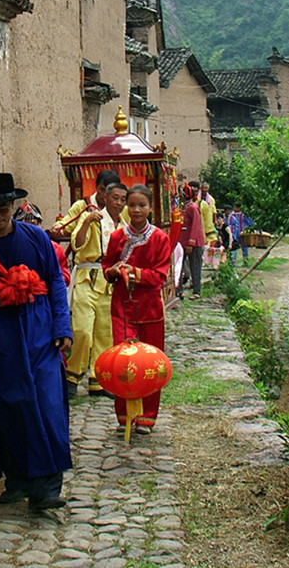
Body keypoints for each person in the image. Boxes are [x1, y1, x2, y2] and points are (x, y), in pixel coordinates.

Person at [0, 171, 72, 510]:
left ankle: (47, 488)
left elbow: (54, 282)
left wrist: (62, 327)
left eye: (2, 208)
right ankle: (18, 477)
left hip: (40, 332)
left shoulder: (37, 239)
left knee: (49, 404)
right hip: (1, 337)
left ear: (14, 205)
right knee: (11, 405)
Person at [102, 183, 171, 434]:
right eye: (132, 205)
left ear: (151, 207)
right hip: (122, 307)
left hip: (150, 310)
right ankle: (125, 416)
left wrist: (136, 273)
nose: (136, 210)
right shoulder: (117, 237)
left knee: (151, 364)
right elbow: (107, 265)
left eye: (142, 205)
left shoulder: (160, 239)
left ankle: (147, 417)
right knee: (123, 363)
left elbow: (159, 275)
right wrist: (111, 272)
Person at [66, 182, 128, 398]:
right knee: (82, 329)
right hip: (87, 276)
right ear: (105, 197)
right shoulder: (91, 216)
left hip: (108, 281)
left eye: (123, 199)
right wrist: (86, 223)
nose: (119, 203)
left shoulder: (123, 225)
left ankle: (98, 379)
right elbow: (76, 245)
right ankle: (72, 374)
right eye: (115, 198)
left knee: (105, 333)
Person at [50, 170, 122, 238]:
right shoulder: (81, 206)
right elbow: (65, 224)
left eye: (108, 191)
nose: (104, 195)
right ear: (96, 187)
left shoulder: (121, 209)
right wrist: (57, 228)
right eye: (102, 189)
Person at [15, 201, 71, 286]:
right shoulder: (11, 247)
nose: (30, 229)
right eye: (25, 225)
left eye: (33, 225)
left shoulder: (54, 248)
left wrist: (50, 281)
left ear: (40, 224)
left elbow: (65, 276)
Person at [178, 183, 205, 300]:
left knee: (195, 266)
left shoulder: (193, 208)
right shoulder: (183, 207)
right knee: (179, 266)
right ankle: (178, 290)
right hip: (182, 242)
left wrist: (191, 243)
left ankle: (196, 291)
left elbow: (196, 226)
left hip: (194, 242)